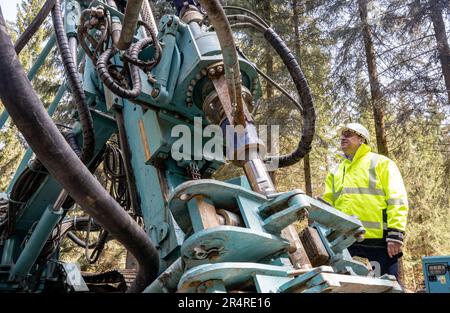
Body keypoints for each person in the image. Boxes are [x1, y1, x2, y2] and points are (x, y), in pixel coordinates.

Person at [323, 123, 409, 279]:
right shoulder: (335, 171)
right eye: (342, 134)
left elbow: (397, 199)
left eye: (348, 133)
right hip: (346, 241)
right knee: (348, 287)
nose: (343, 137)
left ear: (362, 139)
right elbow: (329, 205)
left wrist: (395, 233)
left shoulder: (381, 163)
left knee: (386, 287)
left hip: (379, 241)